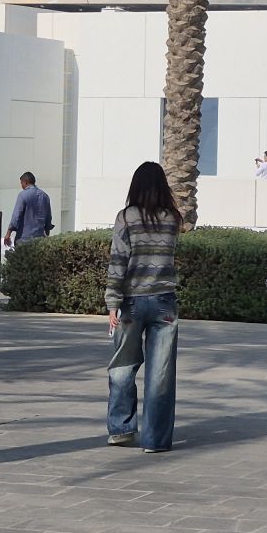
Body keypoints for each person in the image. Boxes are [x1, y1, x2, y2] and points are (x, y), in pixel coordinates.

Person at [104, 161, 181, 452]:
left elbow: (118, 262)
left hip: (131, 302)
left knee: (123, 366)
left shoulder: (126, 217)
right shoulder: (172, 218)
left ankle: (121, 429)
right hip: (164, 302)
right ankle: (155, 440)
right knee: (161, 374)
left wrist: (112, 303)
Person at [3, 172, 53, 246]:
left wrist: (8, 234)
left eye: (21, 183)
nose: (21, 185)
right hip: (40, 240)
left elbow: (16, 216)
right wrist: (47, 233)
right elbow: (48, 217)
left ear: (26, 182)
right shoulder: (45, 196)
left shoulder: (23, 195)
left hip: (24, 240)